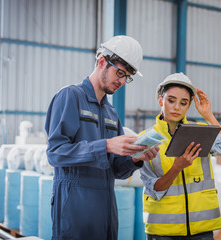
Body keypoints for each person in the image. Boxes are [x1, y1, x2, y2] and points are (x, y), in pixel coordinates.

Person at [45, 35, 159, 240]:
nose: (123, 81)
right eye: (120, 73)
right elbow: (55, 154)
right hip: (75, 210)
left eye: (128, 77)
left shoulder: (111, 113)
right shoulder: (70, 97)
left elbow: (116, 170)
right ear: (102, 62)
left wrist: (135, 158)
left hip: (106, 210)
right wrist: (105, 145)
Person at [140, 73, 221, 240]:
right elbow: (153, 189)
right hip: (163, 232)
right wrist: (177, 167)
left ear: (189, 105)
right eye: (171, 100)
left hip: (201, 229)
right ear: (161, 100)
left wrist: (208, 115)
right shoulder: (146, 139)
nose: (177, 107)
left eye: (183, 103)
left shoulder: (199, 132)